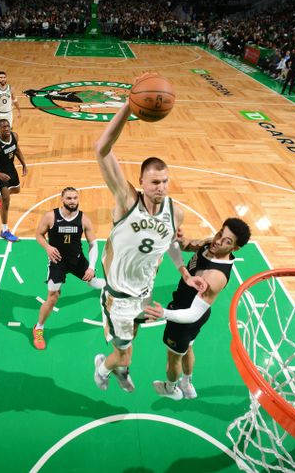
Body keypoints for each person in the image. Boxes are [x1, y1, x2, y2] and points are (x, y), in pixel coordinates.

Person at [92, 83, 207, 393]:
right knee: (123, 350)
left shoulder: (175, 212)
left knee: (132, 341)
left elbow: (168, 242)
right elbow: (101, 147)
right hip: (118, 296)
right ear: (141, 181)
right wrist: (130, 106)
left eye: (165, 181)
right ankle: (103, 368)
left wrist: (182, 268)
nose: (161, 186)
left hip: (143, 294)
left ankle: (119, 366)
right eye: (155, 181)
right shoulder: (126, 199)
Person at [145, 218, 251, 400]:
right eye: (220, 234)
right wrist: (176, 238)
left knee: (174, 357)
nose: (218, 241)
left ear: (235, 248)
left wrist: (164, 313)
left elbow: (193, 314)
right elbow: (186, 245)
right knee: (187, 348)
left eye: (228, 241)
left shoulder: (216, 276)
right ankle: (187, 384)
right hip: (193, 312)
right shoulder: (212, 244)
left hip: (185, 316)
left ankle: (171, 389)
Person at [32, 187, 106, 350]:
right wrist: (47, 247)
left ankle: (112, 287)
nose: (72, 201)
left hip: (77, 260)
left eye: (75, 198)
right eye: (69, 198)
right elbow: (38, 234)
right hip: (57, 262)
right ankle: (38, 328)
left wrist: (91, 267)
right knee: (52, 296)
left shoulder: (84, 219)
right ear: (62, 199)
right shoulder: (50, 216)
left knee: (94, 283)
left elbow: (93, 243)